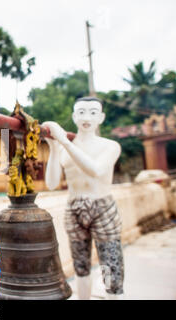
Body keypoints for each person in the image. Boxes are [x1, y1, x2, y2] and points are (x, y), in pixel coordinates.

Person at [43, 97, 124, 300]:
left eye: (93, 112)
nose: (86, 117)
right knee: (80, 266)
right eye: (81, 112)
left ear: (101, 117)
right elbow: (51, 184)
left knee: (111, 265)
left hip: (102, 207)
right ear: (73, 116)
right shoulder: (64, 148)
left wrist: (63, 141)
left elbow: (95, 170)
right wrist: (54, 148)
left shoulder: (110, 146)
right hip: (74, 207)